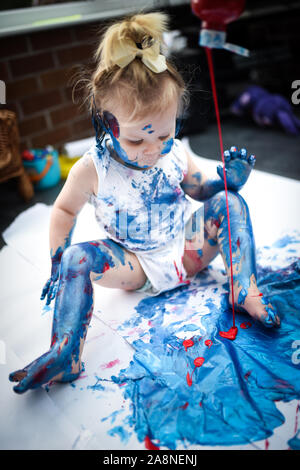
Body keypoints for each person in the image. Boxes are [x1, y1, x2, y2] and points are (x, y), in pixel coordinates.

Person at [9, 12, 280, 394]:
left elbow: (201, 189)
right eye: (137, 141)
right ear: (106, 121)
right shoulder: (93, 169)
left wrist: (227, 180)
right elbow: (65, 210)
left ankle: (243, 289)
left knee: (231, 204)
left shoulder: (174, 153)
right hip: (135, 267)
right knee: (76, 260)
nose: (153, 151)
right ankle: (66, 351)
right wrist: (58, 258)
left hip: (187, 251)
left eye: (165, 135)